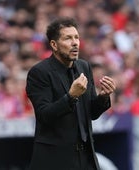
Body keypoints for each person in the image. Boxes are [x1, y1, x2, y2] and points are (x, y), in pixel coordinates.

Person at [26, 17, 116, 170]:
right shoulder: (39, 73)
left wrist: (103, 97)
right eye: (68, 38)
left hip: (86, 158)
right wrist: (71, 96)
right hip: (55, 160)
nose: (75, 42)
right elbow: (44, 115)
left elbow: (91, 113)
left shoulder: (84, 67)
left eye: (76, 37)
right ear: (54, 45)